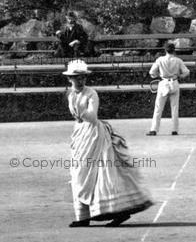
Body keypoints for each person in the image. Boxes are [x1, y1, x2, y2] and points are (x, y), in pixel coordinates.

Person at [63, 60, 153, 227]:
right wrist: (79, 115)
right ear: (70, 79)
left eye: (82, 77)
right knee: (79, 174)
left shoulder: (92, 93)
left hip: (95, 134)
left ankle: (118, 212)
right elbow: (77, 117)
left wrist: (82, 113)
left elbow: (92, 116)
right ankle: (83, 216)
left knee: (102, 172)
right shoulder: (71, 95)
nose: (79, 80)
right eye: (76, 78)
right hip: (80, 134)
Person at [147, 43, 190, 137]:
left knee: (158, 107)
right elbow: (186, 72)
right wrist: (180, 76)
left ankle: (154, 129)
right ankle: (175, 129)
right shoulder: (178, 60)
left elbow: (151, 72)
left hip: (163, 82)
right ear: (174, 50)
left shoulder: (160, 59)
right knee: (174, 107)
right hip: (174, 82)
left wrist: (158, 75)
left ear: (165, 50)